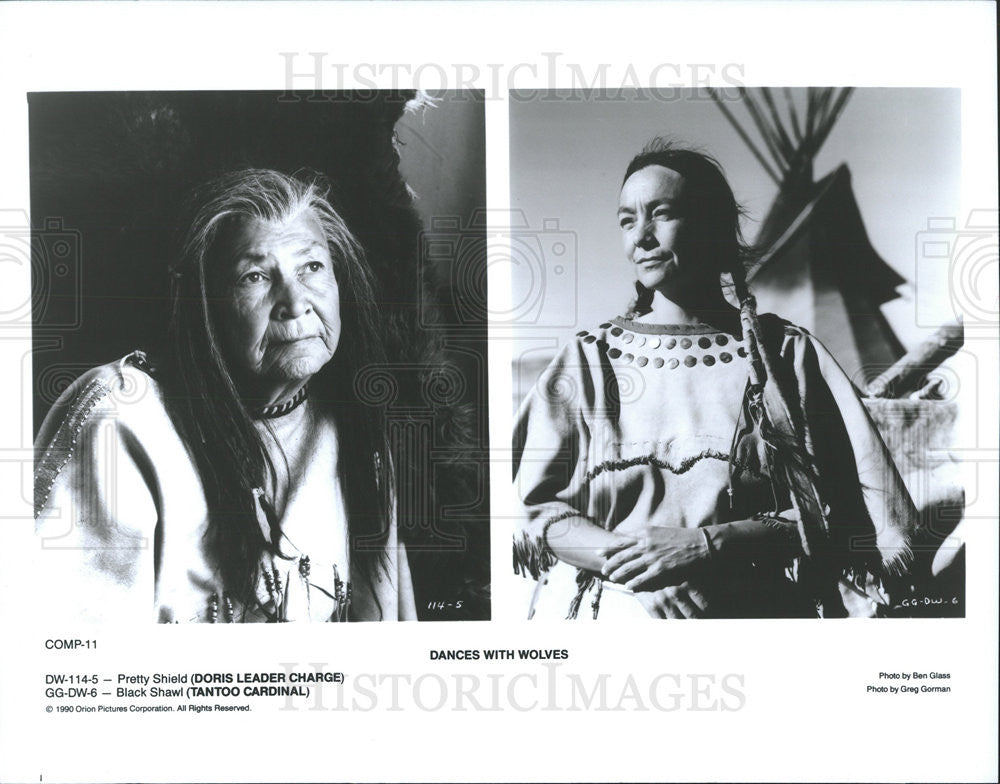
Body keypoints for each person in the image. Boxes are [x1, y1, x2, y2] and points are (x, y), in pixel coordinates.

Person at [513, 141, 918, 619]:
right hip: (616, 623)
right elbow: (539, 510)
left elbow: (847, 511)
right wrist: (638, 571)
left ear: (711, 225)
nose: (641, 236)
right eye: (627, 220)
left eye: (660, 214)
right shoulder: (588, 361)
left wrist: (708, 544)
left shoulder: (785, 355)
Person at [34, 169, 416, 622]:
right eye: (255, 276)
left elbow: (385, 634)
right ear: (204, 300)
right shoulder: (122, 416)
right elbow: (71, 660)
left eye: (312, 267)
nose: (295, 303)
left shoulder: (353, 425)